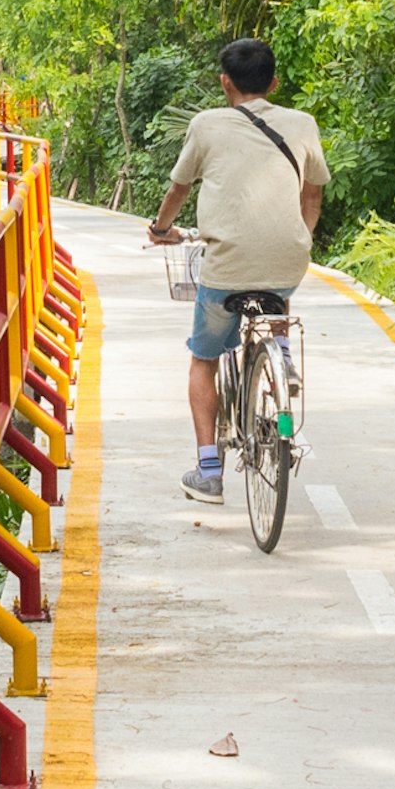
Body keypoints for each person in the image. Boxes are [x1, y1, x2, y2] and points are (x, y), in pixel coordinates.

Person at [144, 38, 328, 503]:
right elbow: (313, 195)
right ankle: (280, 351)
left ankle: (208, 472)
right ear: (274, 82)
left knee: (203, 358)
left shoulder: (206, 124)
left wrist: (162, 228)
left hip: (225, 266)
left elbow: (179, 189)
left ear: (225, 82)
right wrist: (303, 236)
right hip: (289, 257)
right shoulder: (302, 123)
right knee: (277, 283)